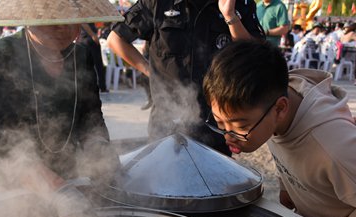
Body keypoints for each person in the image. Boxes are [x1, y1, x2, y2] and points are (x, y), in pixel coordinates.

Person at [202, 39, 356, 217]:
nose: (228, 135)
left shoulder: (334, 148)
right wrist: (287, 187)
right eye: (220, 122)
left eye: (239, 125)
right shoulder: (273, 104)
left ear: (280, 109)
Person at [0, 0, 123, 191]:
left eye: (69, 17)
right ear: (29, 19)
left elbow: (91, 119)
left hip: (65, 173)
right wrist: (48, 182)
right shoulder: (1, 55)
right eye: (51, 18)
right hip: (7, 183)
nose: (62, 27)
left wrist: (101, 151)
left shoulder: (81, 57)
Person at [107, 0, 265, 156]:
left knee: (214, 179)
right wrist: (149, 70)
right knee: (166, 178)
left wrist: (230, 16)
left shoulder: (238, 4)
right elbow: (115, 39)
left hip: (215, 125)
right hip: (167, 123)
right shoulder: (157, 3)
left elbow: (257, 56)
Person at [77, 23, 109, 93]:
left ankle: (91, 86)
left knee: (87, 65)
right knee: (97, 65)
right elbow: (83, 22)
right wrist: (92, 35)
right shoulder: (85, 13)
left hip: (83, 39)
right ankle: (102, 86)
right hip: (88, 38)